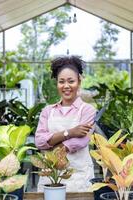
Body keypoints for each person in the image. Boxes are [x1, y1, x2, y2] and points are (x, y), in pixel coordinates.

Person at [35, 56, 96, 192]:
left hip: (78, 177)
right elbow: (39, 141)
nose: (66, 86)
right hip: (49, 178)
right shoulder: (47, 111)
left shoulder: (87, 110)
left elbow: (80, 142)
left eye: (71, 81)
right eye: (61, 81)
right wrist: (70, 132)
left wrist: (51, 145)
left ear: (79, 82)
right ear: (57, 83)